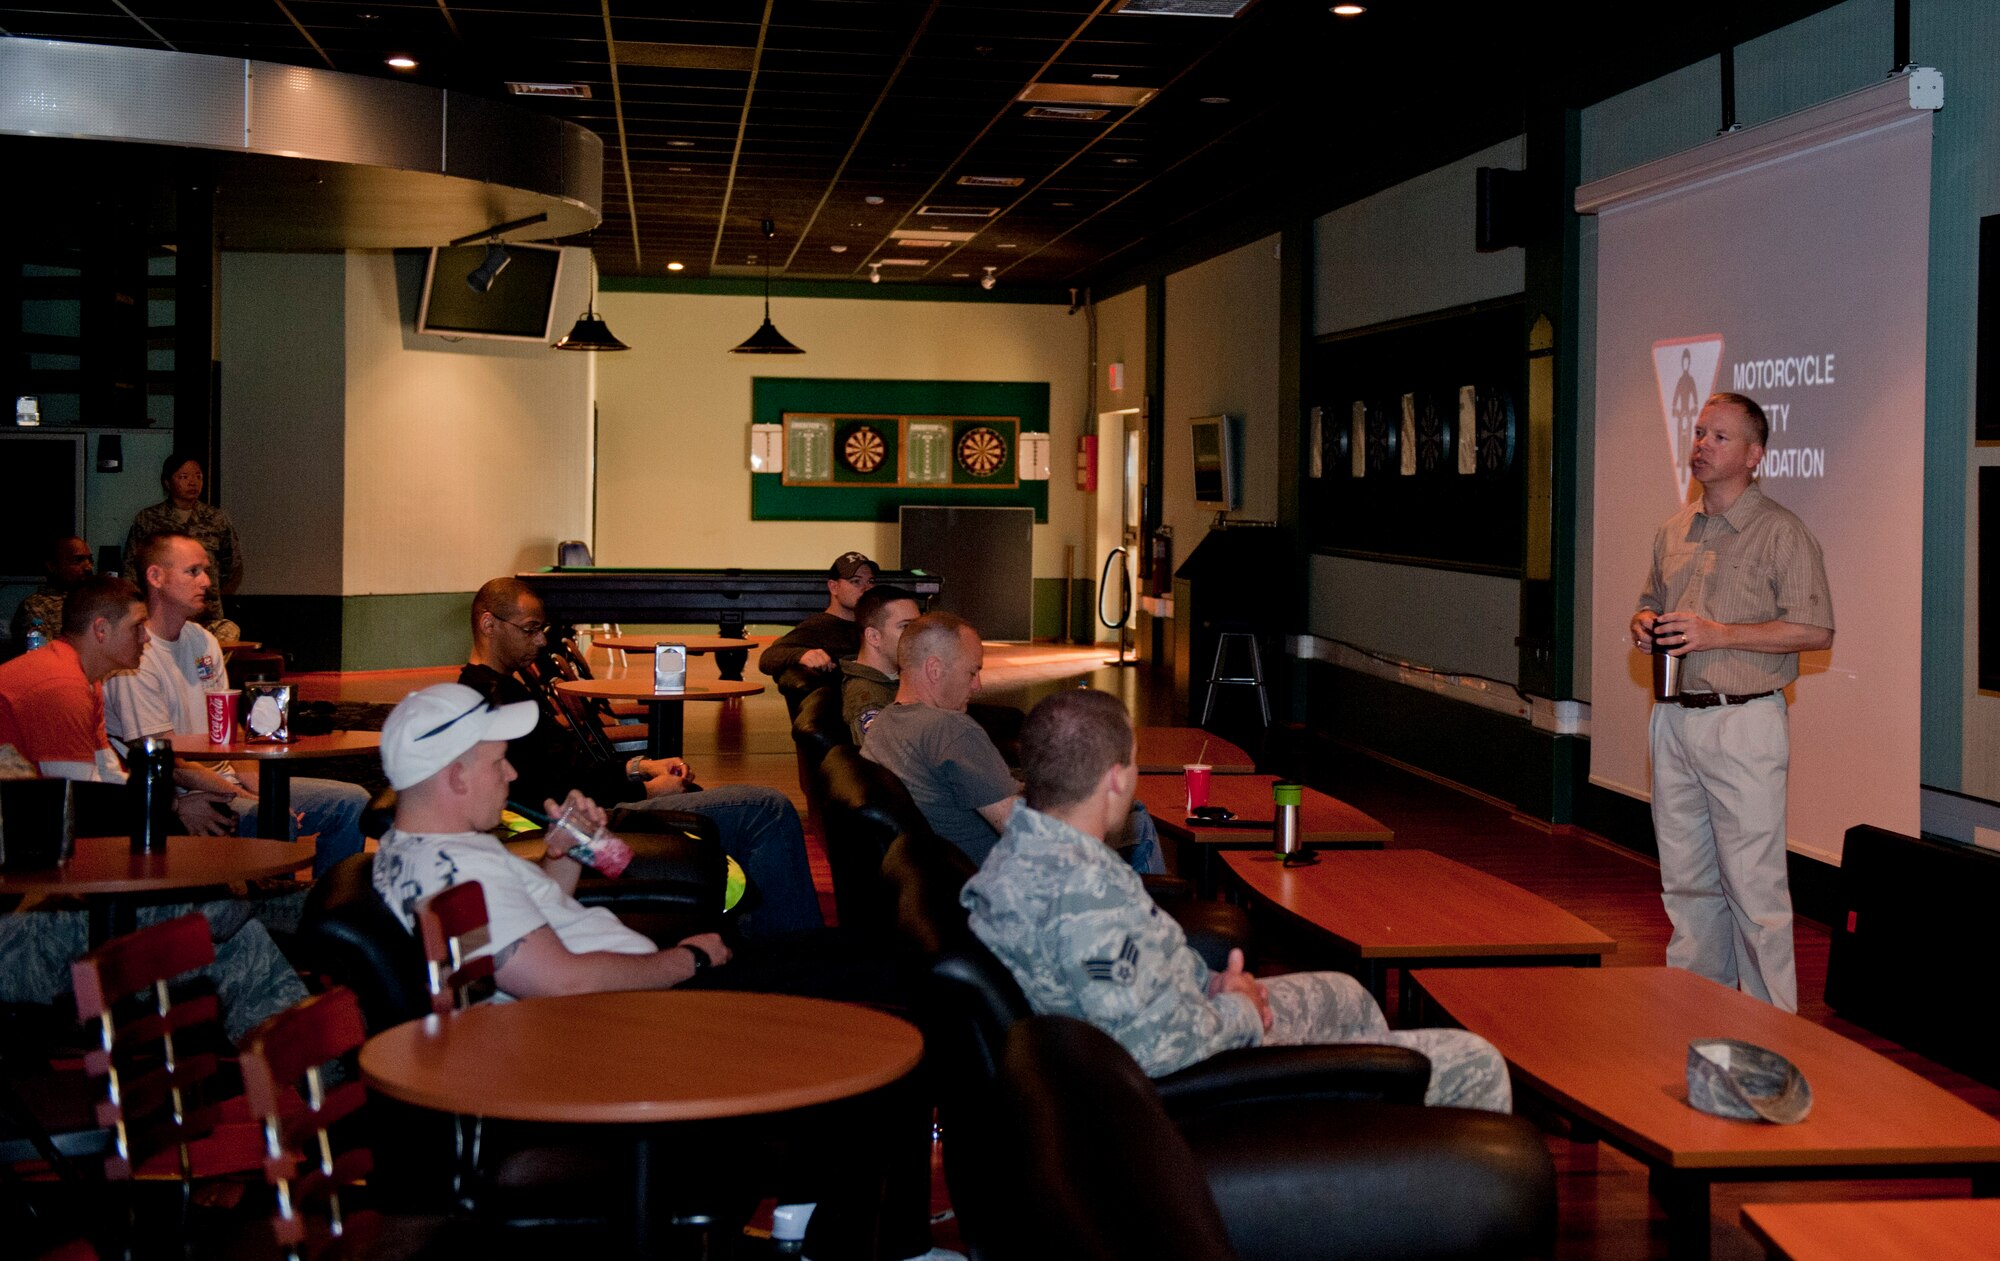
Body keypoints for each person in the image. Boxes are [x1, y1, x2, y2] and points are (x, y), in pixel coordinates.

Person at [961, 688, 1510, 1111]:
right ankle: (1372, 1120)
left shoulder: (1027, 852)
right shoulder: (1085, 901)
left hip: (1179, 1028)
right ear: (1115, 779)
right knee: (1480, 1061)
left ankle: (1370, 1132)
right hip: (1192, 1094)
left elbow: (1132, 993)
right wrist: (1240, 1010)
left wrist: (1210, 985)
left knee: (1346, 995)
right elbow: (1155, 1049)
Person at [0, 574, 307, 1044]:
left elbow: (106, 780)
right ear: (101, 630)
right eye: (138, 627)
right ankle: (313, 1052)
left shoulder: (81, 680)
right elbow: (85, 807)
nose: (147, 638)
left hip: (42, 877)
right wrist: (180, 808)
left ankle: (310, 1055)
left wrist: (179, 795)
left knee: (231, 918)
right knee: (225, 908)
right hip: (24, 903)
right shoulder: (56, 687)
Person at [460, 577, 822, 936]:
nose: (540, 640)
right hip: (604, 820)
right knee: (767, 808)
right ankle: (793, 950)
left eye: (542, 629)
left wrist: (639, 767)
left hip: (605, 802)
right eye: (530, 629)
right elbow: (552, 792)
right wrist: (647, 792)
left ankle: (759, 937)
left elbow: (568, 771)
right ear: (489, 624)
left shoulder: (505, 689)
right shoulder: (488, 701)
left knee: (739, 803)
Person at [1631, 391, 1833, 1014]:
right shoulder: (1674, 530)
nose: (1700, 445)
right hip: (1673, 718)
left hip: (1744, 722)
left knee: (1754, 890)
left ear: (1754, 456)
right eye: (1697, 433)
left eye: (1718, 437)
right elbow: (1650, 598)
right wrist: (1642, 621)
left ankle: (1775, 1033)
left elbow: (1815, 630)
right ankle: (1693, 1014)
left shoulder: (1782, 533)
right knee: (1687, 885)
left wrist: (1721, 635)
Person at [371, 683, 731, 997]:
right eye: (498, 762)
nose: (511, 773)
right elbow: (560, 983)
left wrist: (564, 854)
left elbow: (512, 924)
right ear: (457, 779)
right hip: (631, 1014)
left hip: (626, 996)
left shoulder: (415, 849)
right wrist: (690, 959)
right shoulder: (462, 877)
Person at [103, 532, 366, 878]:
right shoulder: (135, 656)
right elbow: (169, 764)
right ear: (156, 577)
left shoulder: (203, 639)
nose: (207, 582)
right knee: (272, 820)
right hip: (184, 792)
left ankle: (328, 914)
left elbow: (230, 731)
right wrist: (255, 799)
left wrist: (261, 790)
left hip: (227, 780)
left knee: (353, 803)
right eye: (193, 571)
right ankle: (274, 913)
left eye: (206, 571)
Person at [863, 612, 1161, 873]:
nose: (977, 685)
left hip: (937, 880)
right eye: (972, 671)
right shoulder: (951, 730)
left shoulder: (884, 724)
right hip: (1000, 880)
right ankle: (1139, 925)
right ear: (935, 669)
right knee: (1137, 816)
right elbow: (1022, 831)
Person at [123, 454, 243, 643]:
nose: (193, 482)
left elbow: (232, 563)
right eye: (184, 477)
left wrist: (209, 586)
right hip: (161, 614)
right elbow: (132, 568)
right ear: (167, 483)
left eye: (198, 476)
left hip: (207, 613)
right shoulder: (148, 519)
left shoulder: (216, 518)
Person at [758, 551, 876, 678]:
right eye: (856, 581)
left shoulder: (873, 624)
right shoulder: (820, 626)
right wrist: (802, 655)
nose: (867, 588)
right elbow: (768, 657)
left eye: (870, 581)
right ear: (833, 587)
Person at [841, 583, 919, 743]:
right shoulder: (869, 699)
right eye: (905, 627)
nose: (917, 636)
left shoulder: (892, 679)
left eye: (918, 627)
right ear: (874, 637)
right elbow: (889, 761)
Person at [7, 535, 93, 660]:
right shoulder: (34, 607)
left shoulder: (94, 601)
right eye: (77, 560)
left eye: (90, 560)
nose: (88, 567)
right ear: (52, 566)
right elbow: (41, 657)